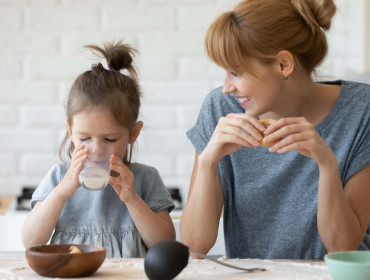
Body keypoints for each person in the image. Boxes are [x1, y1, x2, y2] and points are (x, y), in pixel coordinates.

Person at [180, 0, 370, 259]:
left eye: (236, 72)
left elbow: (343, 249)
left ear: (283, 64)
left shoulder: (361, 111)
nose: (226, 87)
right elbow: (194, 245)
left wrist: (327, 164)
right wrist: (207, 162)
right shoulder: (221, 109)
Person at [21, 41, 175, 258]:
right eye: (84, 138)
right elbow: (30, 241)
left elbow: (165, 245)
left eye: (110, 139)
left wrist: (133, 200)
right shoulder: (58, 177)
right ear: (70, 130)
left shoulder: (145, 179)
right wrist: (62, 192)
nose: (96, 149)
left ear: (133, 133)